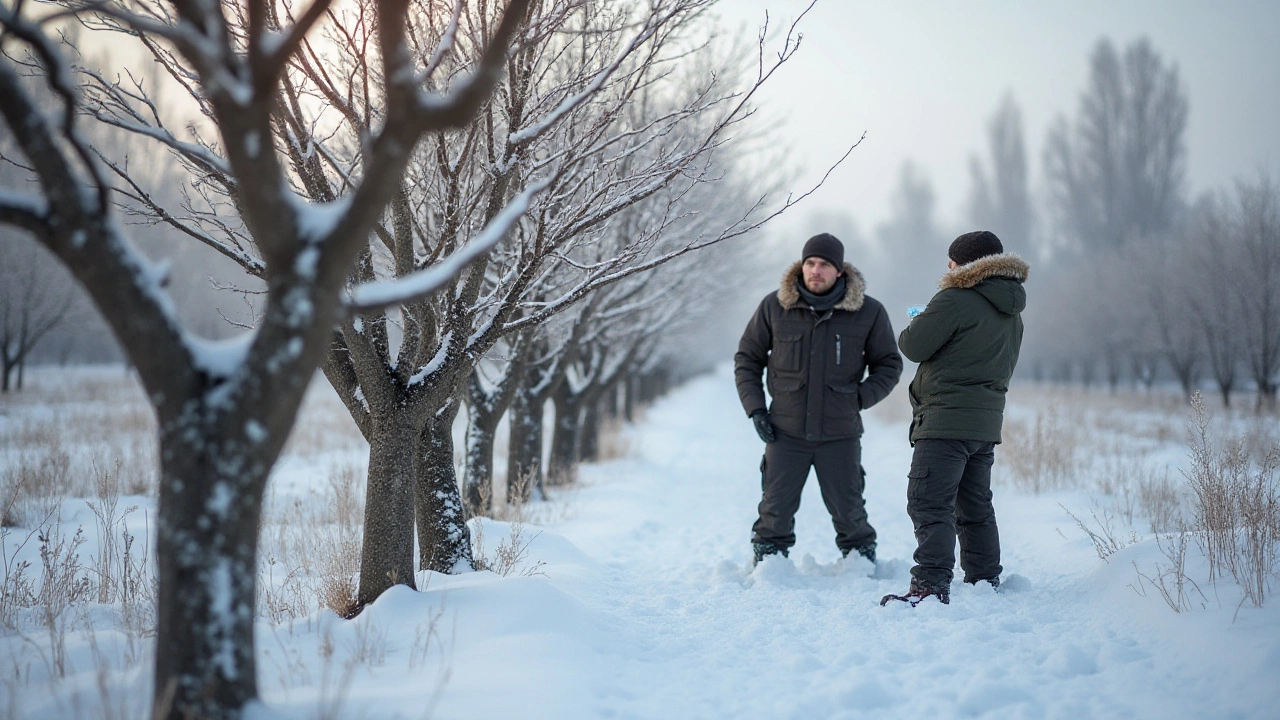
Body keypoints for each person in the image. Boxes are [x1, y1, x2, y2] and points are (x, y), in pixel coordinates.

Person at [881, 230, 1030, 606]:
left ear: (963, 263)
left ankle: (930, 584)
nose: (947, 266)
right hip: (984, 425)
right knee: (974, 504)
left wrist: (920, 321)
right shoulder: (1012, 312)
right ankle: (984, 579)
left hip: (945, 422)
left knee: (928, 501)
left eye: (951, 260)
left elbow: (914, 346)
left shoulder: (955, 299)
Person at [735, 233, 903, 566]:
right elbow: (747, 358)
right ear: (801, 265)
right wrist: (755, 409)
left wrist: (859, 398)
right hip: (784, 431)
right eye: (810, 263)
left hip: (840, 433)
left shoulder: (868, 312)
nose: (815, 270)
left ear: (839, 271)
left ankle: (860, 564)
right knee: (774, 509)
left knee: (850, 509)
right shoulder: (774, 306)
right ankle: (769, 565)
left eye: (824, 264)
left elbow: (890, 364)